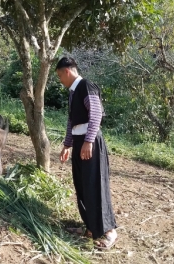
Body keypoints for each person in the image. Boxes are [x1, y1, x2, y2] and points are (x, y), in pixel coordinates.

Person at [56, 57, 117, 250]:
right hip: (79, 142)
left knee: (96, 185)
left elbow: (96, 114)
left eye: (59, 76)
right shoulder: (73, 92)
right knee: (82, 185)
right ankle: (90, 228)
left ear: (67, 71)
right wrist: (67, 145)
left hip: (90, 143)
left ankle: (109, 232)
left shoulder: (86, 86)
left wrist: (89, 141)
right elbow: (71, 121)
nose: (60, 80)